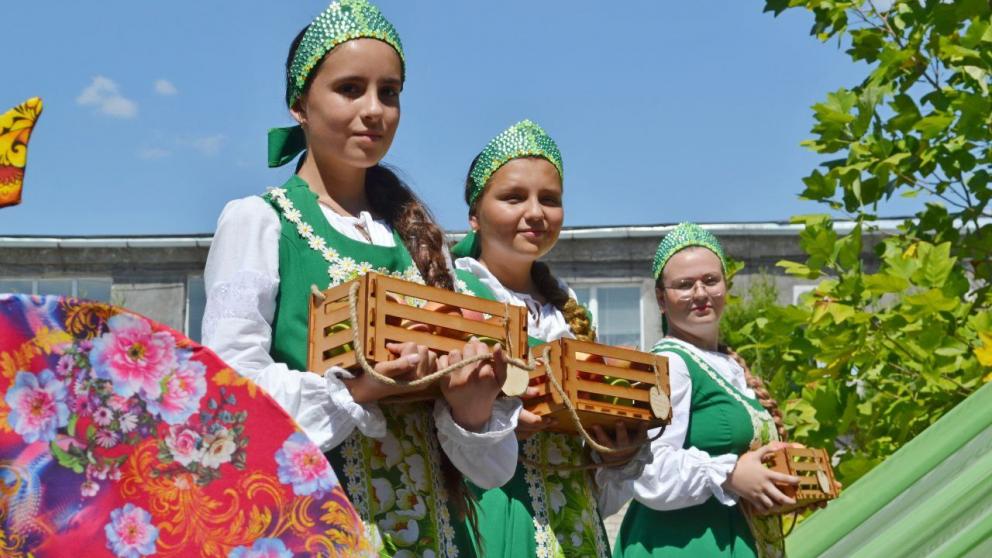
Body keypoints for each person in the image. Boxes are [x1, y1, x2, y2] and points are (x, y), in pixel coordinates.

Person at [201, 2, 521, 555]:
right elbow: (229, 396)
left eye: (389, 92)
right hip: (314, 524)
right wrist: (359, 388)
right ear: (299, 103)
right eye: (350, 89)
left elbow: (490, 470)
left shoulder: (420, 239)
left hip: (440, 535)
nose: (375, 110)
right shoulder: (259, 221)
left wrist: (471, 404)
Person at [451, 120, 650, 558]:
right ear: (474, 214)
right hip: (490, 516)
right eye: (514, 197)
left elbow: (592, 466)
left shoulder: (568, 310)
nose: (536, 212)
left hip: (574, 524)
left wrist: (614, 453)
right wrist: (488, 419)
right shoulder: (451, 290)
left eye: (550, 200)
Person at [608, 222, 798, 558]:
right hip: (684, 543)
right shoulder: (670, 362)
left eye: (710, 280)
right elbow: (649, 469)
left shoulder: (726, 364)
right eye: (684, 285)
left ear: (726, 286)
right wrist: (730, 474)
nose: (700, 293)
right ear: (661, 299)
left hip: (731, 538)